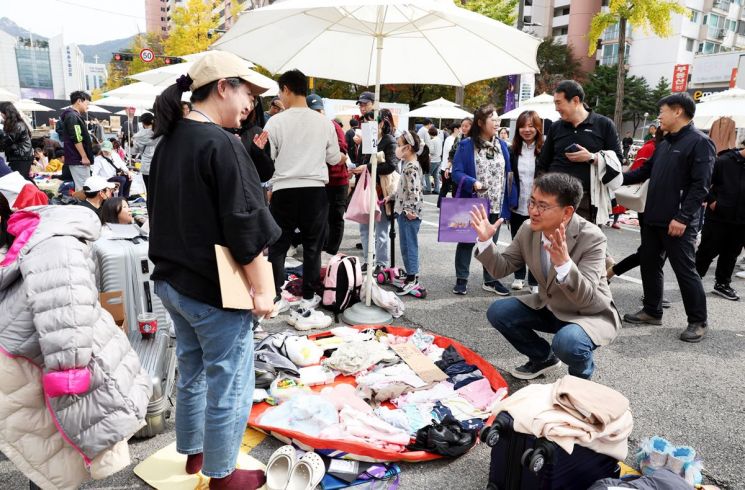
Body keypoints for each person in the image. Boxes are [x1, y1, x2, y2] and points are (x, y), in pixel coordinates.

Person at [149, 50, 280, 489]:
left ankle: (194, 454)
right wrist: (264, 293)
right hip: (211, 289)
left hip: (173, 283)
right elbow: (246, 229)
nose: (251, 105)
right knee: (230, 381)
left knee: (193, 370)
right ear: (222, 86)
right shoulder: (223, 144)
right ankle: (222, 475)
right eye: (247, 92)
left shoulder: (170, 141)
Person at [0, 189, 151, 489]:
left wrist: (68, 372)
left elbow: (65, 305)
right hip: (35, 369)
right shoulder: (36, 245)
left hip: (48, 370)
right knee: (47, 453)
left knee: (52, 454)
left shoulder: (50, 247)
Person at [472, 173, 621, 380]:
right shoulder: (528, 229)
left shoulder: (592, 237)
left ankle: (581, 377)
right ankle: (543, 358)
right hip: (550, 306)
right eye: (532, 202)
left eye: (542, 206)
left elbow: (586, 297)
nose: (533, 211)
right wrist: (485, 242)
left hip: (588, 312)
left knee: (568, 343)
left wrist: (564, 264)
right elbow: (501, 268)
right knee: (499, 312)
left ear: (567, 211)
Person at [623, 93, 715, 343]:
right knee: (650, 264)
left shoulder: (700, 142)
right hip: (652, 216)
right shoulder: (664, 143)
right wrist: (611, 176)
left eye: (662, 111)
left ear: (677, 111)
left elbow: (701, 186)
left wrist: (683, 217)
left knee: (685, 270)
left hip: (678, 221)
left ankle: (698, 321)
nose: (659, 117)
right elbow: (644, 172)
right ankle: (652, 310)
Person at [264, 69, 343, 324]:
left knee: (278, 246)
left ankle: (275, 296)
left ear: (286, 89)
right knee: (312, 247)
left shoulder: (275, 122)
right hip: (314, 190)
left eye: (280, 92)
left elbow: (271, 156)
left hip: (284, 189)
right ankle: (308, 296)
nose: (280, 97)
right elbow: (333, 158)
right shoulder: (324, 122)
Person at [452, 104, 517, 296]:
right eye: (493, 120)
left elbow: (509, 174)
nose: (497, 123)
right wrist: (472, 183)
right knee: (466, 242)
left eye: (498, 120)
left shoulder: (502, 146)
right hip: (473, 202)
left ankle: (490, 280)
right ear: (480, 122)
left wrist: (510, 200)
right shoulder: (466, 145)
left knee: (491, 244)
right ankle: (461, 279)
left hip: (496, 202)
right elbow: (456, 172)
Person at [538, 80, 623, 222]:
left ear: (575, 100)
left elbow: (618, 162)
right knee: (549, 242)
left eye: (559, 103)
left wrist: (592, 157)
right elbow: (543, 163)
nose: (556, 108)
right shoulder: (556, 127)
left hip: (586, 200)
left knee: (584, 243)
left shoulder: (604, 125)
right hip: (553, 198)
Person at [695, 144, 745, 301]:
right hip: (718, 217)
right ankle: (693, 282)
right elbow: (703, 182)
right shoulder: (724, 161)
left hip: (741, 220)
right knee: (707, 251)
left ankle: (722, 284)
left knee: (731, 254)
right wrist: (712, 201)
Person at [352, 109, 399, 274]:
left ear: (380, 123)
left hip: (381, 190)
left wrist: (369, 168)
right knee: (364, 228)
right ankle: (368, 259)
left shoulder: (389, 140)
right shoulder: (367, 139)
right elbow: (360, 161)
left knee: (381, 229)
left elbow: (391, 165)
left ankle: (381, 262)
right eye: (365, 121)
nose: (367, 125)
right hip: (366, 189)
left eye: (370, 121)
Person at [306, 93, 350, 256]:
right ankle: (321, 249)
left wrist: (322, 151)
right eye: (314, 111)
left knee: (336, 216)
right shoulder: (307, 128)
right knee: (320, 217)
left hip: (338, 180)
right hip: (318, 180)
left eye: (319, 111)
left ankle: (331, 251)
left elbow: (341, 153)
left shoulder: (333, 126)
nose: (318, 114)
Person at [508, 110, 542, 293]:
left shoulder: (544, 149)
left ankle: (535, 281)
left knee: (537, 243)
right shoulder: (512, 150)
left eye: (531, 125)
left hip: (538, 206)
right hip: (517, 204)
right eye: (523, 126)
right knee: (518, 242)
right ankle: (518, 276)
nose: (526, 130)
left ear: (538, 127)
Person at [393, 130, 425, 295]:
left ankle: (413, 278)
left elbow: (414, 191)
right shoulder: (411, 164)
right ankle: (411, 274)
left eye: (399, 145)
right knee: (406, 245)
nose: (397, 149)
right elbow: (405, 189)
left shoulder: (410, 167)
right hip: (406, 211)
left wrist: (409, 209)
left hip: (409, 214)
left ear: (409, 148)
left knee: (409, 246)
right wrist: (391, 197)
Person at [60, 91, 94, 191]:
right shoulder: (72, 116)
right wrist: (84, 156)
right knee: (84, 187)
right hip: (78, 158)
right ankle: (83, 206)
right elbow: (77, 138)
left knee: (83, 186)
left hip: (77, 158)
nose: (87, 107)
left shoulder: (72, 115)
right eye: (87, 104)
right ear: (79, 101)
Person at [0, 102, 34, 181]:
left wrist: (1, 133)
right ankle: (39, 193)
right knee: (23, 179)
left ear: (6, 112)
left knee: (20, 180)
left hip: (22, 157)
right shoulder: (13, 123)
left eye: (1, 113)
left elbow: (7, 141)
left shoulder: (18, 125)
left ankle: (39, 193)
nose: (1, 115)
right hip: (20, 156)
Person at [133, 112, 161, 194]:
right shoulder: (160, 133)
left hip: (146, 167)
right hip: (159, 164)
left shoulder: (138, 136)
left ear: (142, 123)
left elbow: (134, 151)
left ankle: (150, 206)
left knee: (149, 191)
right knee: (159, 191)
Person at [424, 125, 443, 194]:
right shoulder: (439, 139)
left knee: (427, 174)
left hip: (433, 160)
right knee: (436, 175)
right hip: (439, 160)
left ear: (430, 133)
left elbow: (431, 151)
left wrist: (427, 149)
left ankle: (428, 189)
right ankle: (437, 189)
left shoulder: (432, 141)